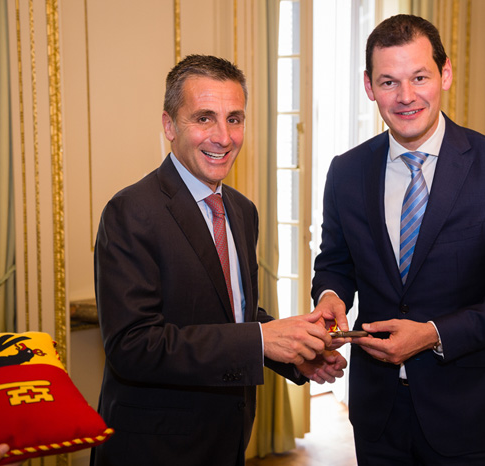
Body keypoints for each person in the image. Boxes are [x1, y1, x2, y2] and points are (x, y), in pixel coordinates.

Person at [312, 14, 485, 465]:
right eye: (389, 81)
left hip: (470, 416)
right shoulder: (346, 171)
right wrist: (330, 296)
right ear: (369, 86)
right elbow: (335, 262)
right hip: (377, 416)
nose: (405, 97)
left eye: (419, 77)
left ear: (445, 73)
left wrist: (433, 335)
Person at [91, 54, 346, 466]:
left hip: (228, 439)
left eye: (235, 119)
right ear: (170, 125)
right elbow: (133, 345)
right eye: (204, 118)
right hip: (155, 448)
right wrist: (263, 339)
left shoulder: (243, 211)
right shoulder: (130, 211)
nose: (224, 137)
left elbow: (235, 317)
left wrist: (297, 351)